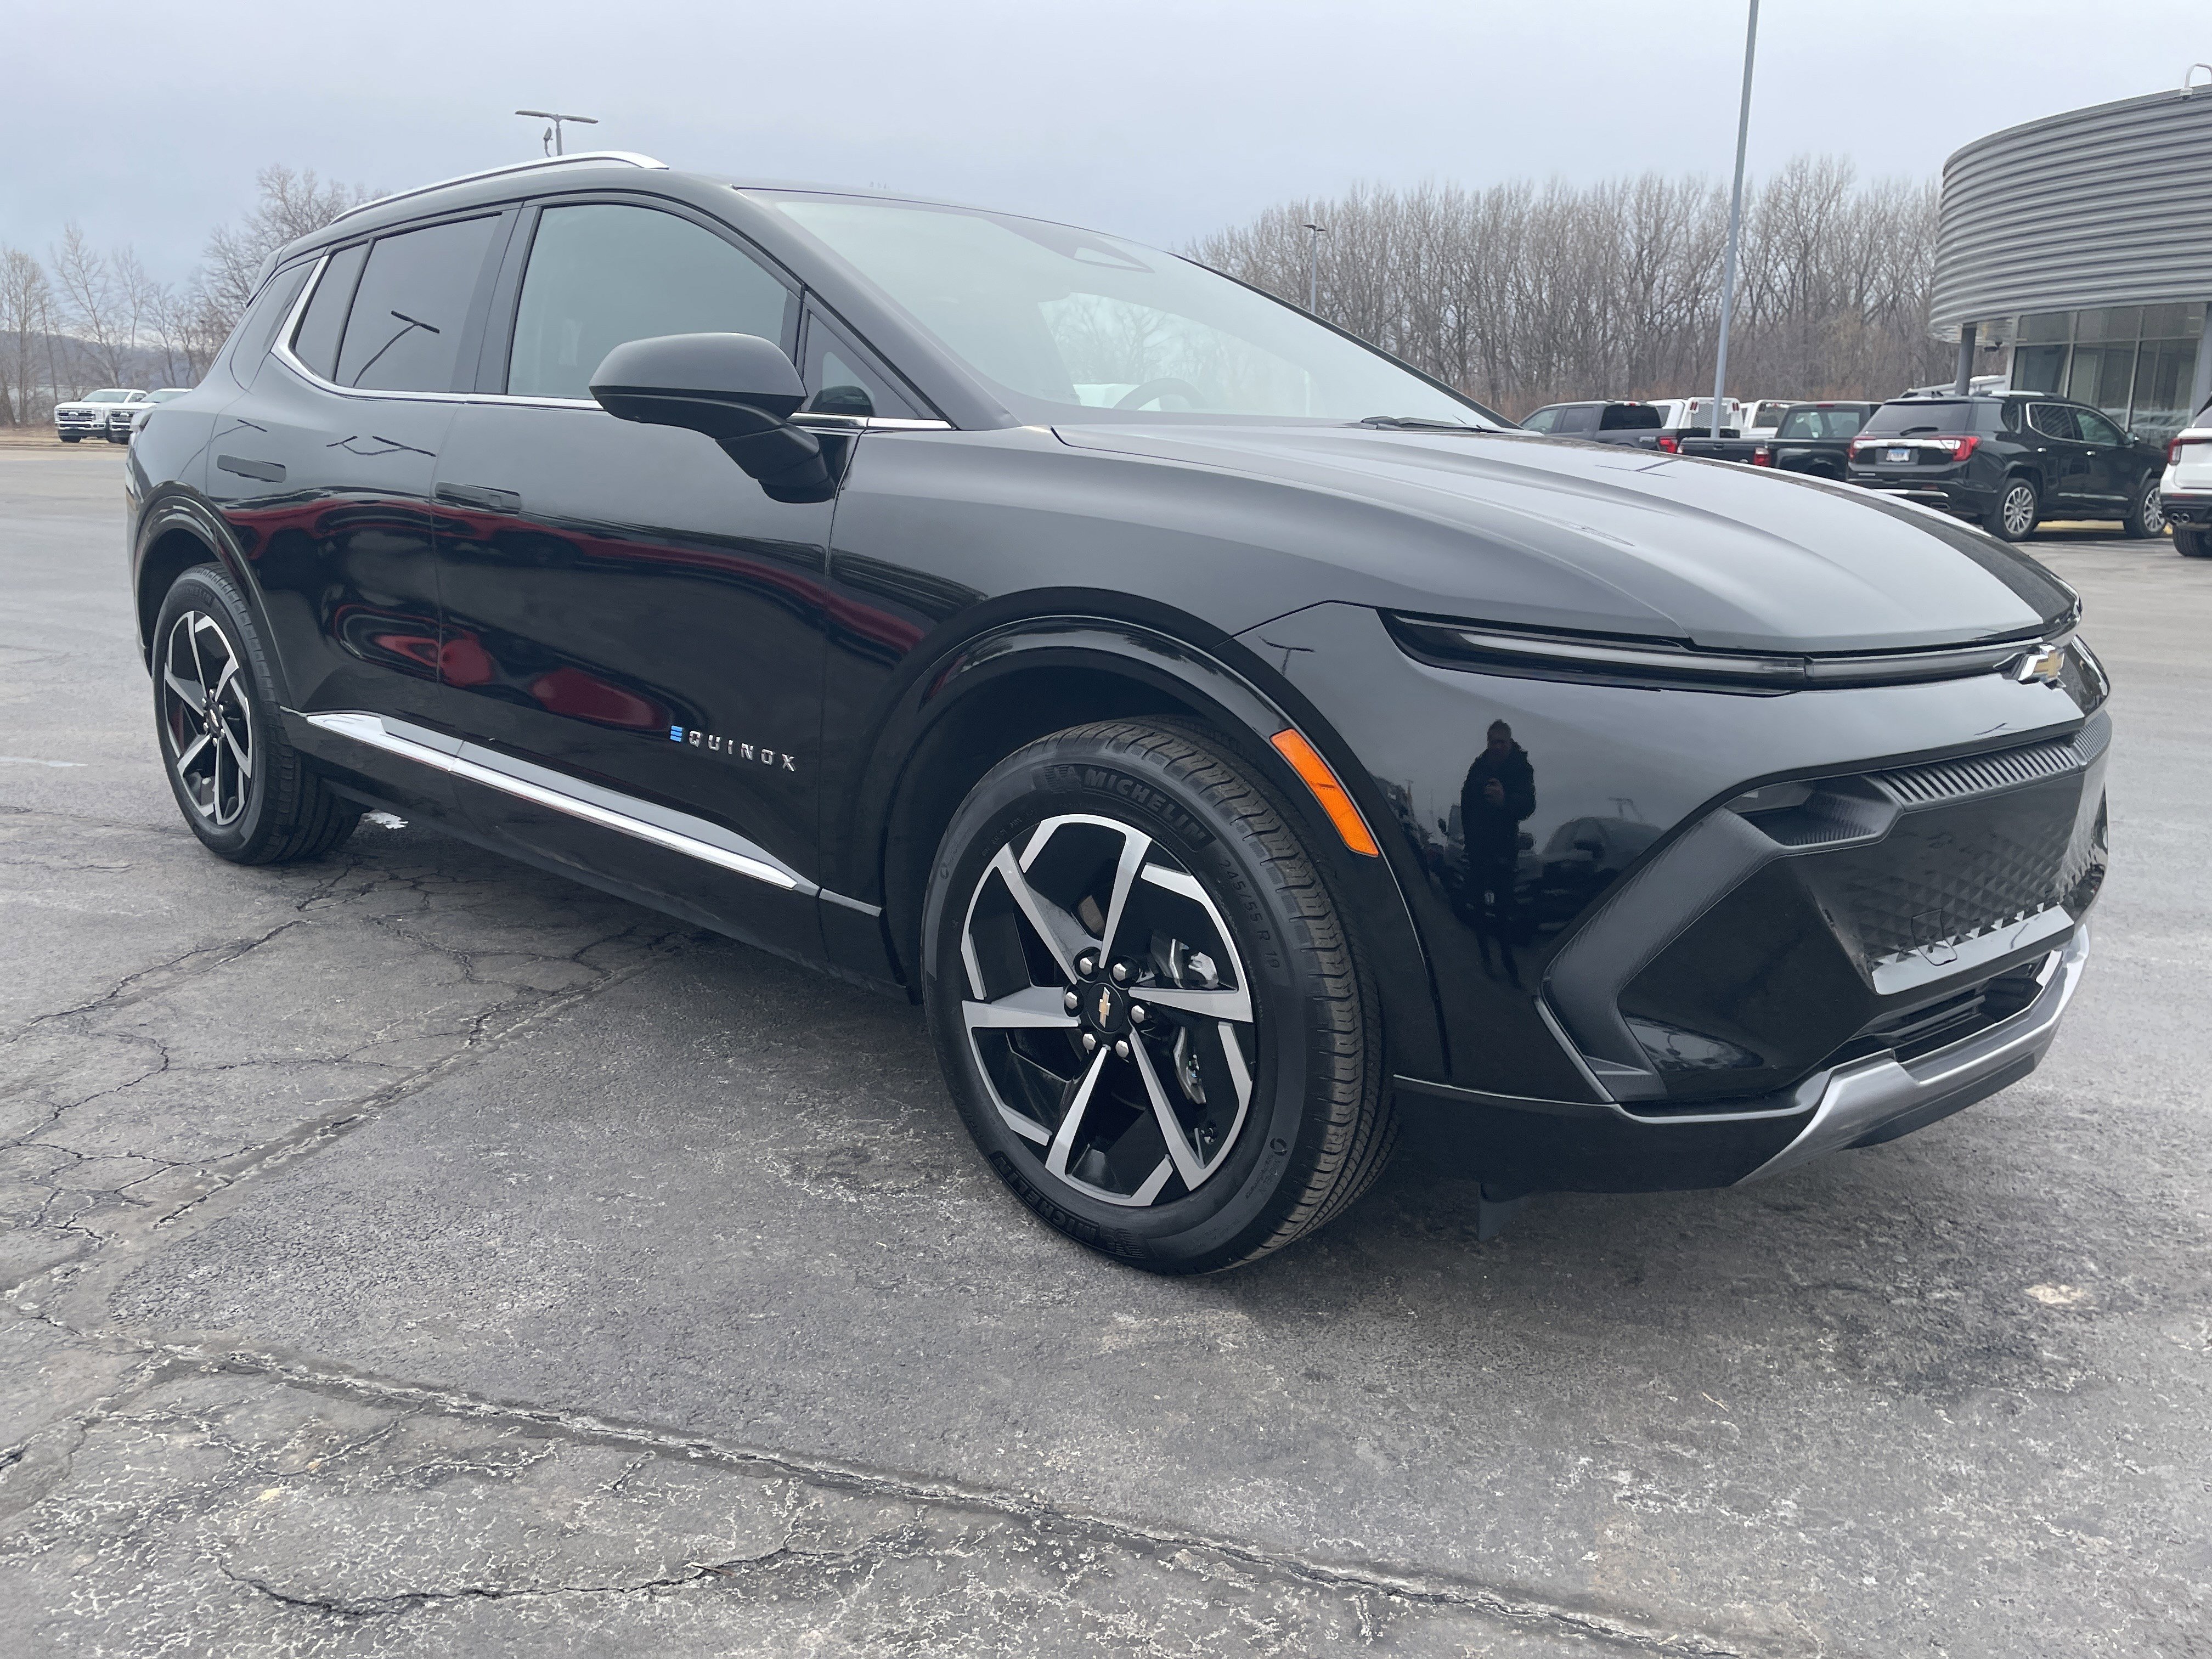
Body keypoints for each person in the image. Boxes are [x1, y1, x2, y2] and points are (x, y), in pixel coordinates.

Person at [1458, 720, 1536, 983]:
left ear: (1510, 743)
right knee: (1477, 904)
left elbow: (1528, 805)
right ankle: (1485, 958)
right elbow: (1466, 804)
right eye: (1492, 741)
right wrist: (1469, 839)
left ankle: (1509, 962)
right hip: (1479, 846)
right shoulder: (1479, 767)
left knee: (1503, 907)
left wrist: (1506, 801)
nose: (1496, 747)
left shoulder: (1520, 769)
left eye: (1501, 741)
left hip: (1504, 847)